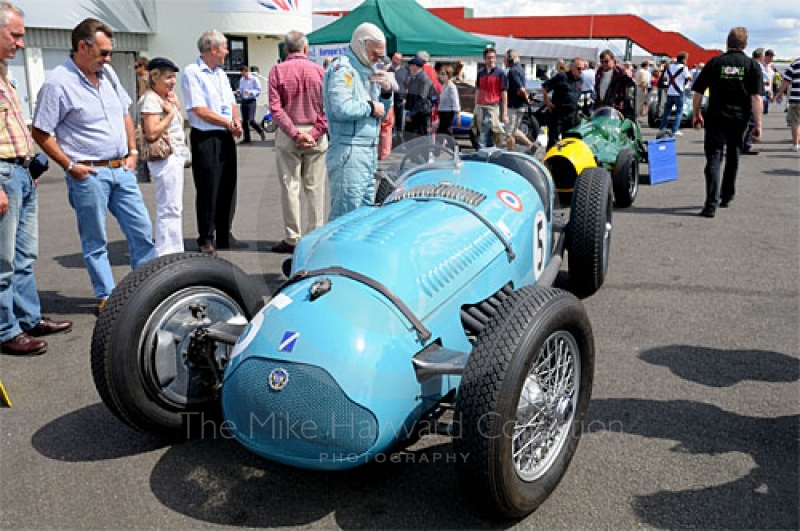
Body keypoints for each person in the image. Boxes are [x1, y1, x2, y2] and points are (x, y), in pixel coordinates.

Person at [31, 18, 157, 314]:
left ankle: (145, 290)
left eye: (109, 52)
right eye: (103, 52)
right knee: (95, 239)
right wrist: (69, 165)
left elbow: (124, 113)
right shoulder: (57, 83)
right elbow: (40, 131)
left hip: (121, 169)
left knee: (142, 231)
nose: (108, 58)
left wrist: (133, 152)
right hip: (88, 173)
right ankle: (106, 295)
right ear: (82, 47)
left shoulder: (108, 74)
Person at [1, 2, 72, 355]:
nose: (21, 43)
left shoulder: (4, 74)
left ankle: (28, 318)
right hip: (2, 175)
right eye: (15, 35)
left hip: (20, 171)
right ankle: (5, 329)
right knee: (3, 261)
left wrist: (28, 167)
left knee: (24, 255)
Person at [181, 29, 244, 255]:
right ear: (214, 49)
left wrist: (236, 121)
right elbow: (199, 109)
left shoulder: (220, 74)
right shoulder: (193, 72)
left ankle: (225, 233)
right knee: (208, 188)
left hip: (225, 134)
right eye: (225, 47)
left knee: (228, 185)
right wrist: (227, 123)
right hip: (206, 136)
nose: (227, 52)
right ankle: (205, 237)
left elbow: (232, 101)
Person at [322, 22, 392, 220]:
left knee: (364, 213)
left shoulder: (367, 70)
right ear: (361, 45)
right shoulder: (342, 69)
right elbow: (340, 108)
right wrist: (370, 106)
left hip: (367, 150)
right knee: (346, 212)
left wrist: (386, 93)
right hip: (349, 149)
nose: (377, 59)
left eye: (380, 55)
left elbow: (382, 114)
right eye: (374, 54)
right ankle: (334, 251)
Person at [691, 27, 763, 218]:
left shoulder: (715, 63)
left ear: (727, 42)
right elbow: (756, 97)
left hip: (716, 117)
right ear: (745, 44)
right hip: (739, 119)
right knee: (734, 156)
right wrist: (758, 124)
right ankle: (727, 195)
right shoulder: (752, 66)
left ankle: (710, 204)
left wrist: (696, 114)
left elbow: (698, 92)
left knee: (714, 159)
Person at [268, 30, 328, 254]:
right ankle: (315, 236)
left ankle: (292, 237)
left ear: (286, 49)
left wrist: (294, 133)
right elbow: (327, 108)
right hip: (315, 133)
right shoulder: (320, 71)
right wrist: (314, 132)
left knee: (290, 187)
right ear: (306, 48)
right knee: (315, 188)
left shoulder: (277, 70)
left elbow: (275, 108)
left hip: (288, 132)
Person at [139, 57, 189, 256]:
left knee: (174, 206)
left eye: (173, 77)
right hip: (165, 158)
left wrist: (175, 107)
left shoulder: (165, 98)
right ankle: (167, 251)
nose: (172, 81)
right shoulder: (151, 99)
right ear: (155, 77)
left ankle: (174, 249)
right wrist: (169, 114)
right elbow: (151, 132)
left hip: (174, 156)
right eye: (168, 77)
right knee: (169, 207)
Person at [542, 57, 586, 149]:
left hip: (571, 115)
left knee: (569, 141)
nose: (581, 71)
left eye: (582, 69)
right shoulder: (562, 77)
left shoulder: (580, 80)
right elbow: (544, 87)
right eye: (578, 68)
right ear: (572, 67)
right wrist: (547, 102)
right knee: (553, 141)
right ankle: (550, 162)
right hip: (558, 113)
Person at [473, 47, 508, 148]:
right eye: (489, 58)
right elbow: (478, 90)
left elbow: (504, 93)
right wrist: (475, 106)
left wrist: (504, 113)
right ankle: (491, 155)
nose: (491, 60)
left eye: (493, 57)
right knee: (487, 136)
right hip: (480, 107)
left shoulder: (500, 73)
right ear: (484, 59)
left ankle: (482, 155)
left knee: (484, 136)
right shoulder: (480, 73)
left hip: (492, 107)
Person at [504, 49, 533, 152]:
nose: (504, 61)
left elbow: (520, 88)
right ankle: (531, 145)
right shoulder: (520, 69)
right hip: (520, 106)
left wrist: (527, 99)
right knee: (515, 130)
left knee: (509, 133)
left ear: (510, 59)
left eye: (505, 59)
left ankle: (509, 154)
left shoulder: (513, 71)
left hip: (513, 106)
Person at [659, 51, 692, 136]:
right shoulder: (684, 68)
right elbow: (689, 77)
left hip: (670, 91)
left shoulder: (670, 67)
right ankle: (675, 129)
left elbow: (665, 78)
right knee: (679, 111)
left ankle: (662, 128)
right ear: (684, 59)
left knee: (667, 111)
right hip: (679, 91)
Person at [595, 49, 635, 118]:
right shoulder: (599, 72)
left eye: (606, 61)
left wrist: (629, 75)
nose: (604, 64)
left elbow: (630, 88)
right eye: (602, 62)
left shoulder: (621, 73)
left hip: (616, 111)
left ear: (613, 61)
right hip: (601, 109)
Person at [772, 57, 800, 151]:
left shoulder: (795, 64)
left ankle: (796, 144)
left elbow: (786, 81)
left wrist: (779, 94)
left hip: (796, 98)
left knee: (795, 122)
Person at [405, 55, 435, 138]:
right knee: (409, 135)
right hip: (415, 112)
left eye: (411, 65)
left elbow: (422, 98)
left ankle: (424, 151)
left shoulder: (424, 79)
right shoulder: (413, 78)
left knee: (421, 136)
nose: (409, 67)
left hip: (421, 113)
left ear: (415, 66)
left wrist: (411, 114)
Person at [133, 55, 151, 182]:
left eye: (136, 67)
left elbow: (141, 96)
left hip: (144, 113)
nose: (135, 70)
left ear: (142, 67)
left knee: (140, 142)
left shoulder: (143, 79)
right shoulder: (153, 78)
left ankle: (143, 174)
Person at [238, 65, 265, 144]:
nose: (242, 75)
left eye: (243, 73)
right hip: (244, 100)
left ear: (247, 72)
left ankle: (260, 131)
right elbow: (241, 88)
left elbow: (258, 90)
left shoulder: (254, 79)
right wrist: (239, 91)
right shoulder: (242, 79)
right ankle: (247, 139)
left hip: (251, 100)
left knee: (251, 120)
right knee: (244, 121)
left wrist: (251, 92)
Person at [436, 64, 460, 137]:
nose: (441, 76)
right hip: (442, 111)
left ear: (448, 75)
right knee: (445, 131)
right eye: (440, 73)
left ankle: (451, 146)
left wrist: (458, 114)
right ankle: (446, 146)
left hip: (448, 112)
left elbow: (455, 100)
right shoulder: (443, 86)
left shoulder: (451, 86)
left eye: (443, 74)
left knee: (443, 131)